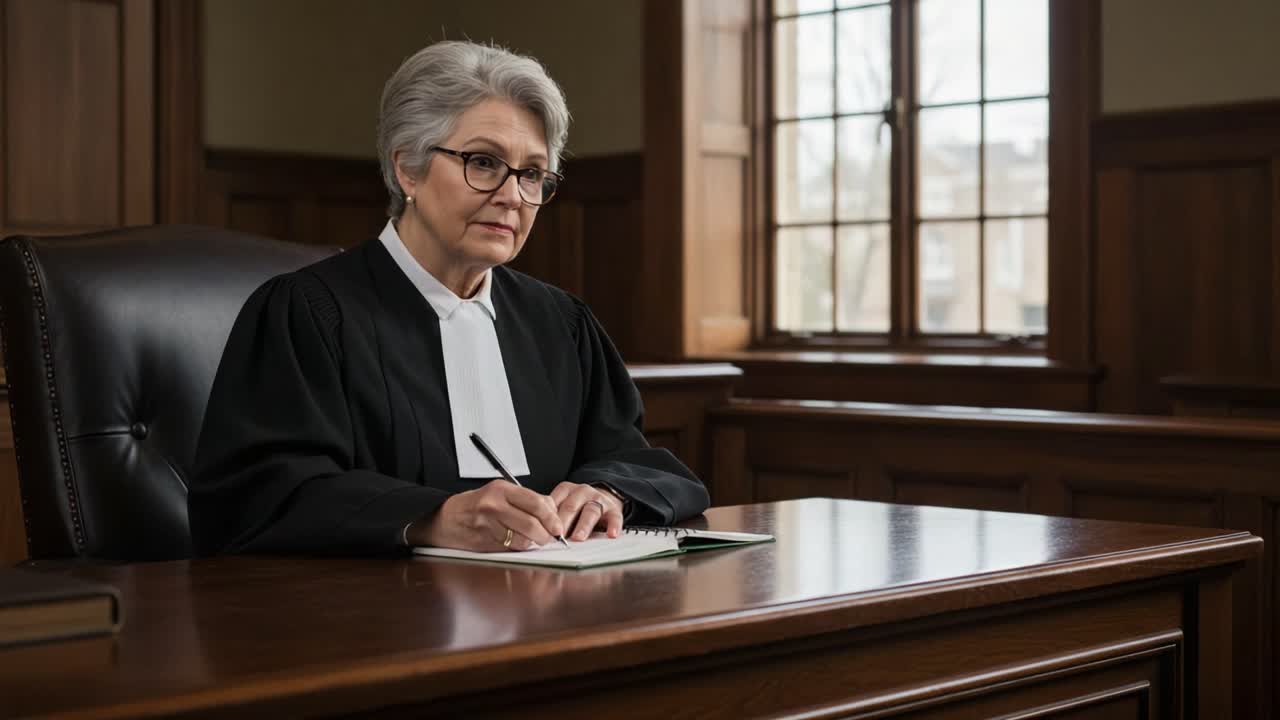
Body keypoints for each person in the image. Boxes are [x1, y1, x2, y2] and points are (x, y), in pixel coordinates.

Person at [188, 41, 709, 556]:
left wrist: (604, 493)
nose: (512, 195)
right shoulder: (307, 314)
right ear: (407, 169)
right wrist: (430, 519)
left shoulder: (561, 324)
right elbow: (253, 497)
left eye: (532, 173)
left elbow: (639, 462)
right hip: (372, 625)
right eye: (483, 162)